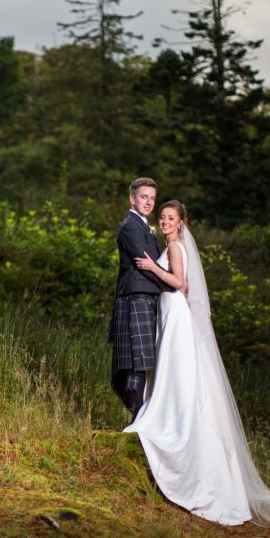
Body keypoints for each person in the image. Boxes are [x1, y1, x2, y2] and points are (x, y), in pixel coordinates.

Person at [125, 200, 270, 528]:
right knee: (172, 371)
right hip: (169, 312)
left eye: (170, 218)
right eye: (162, 217)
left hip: (174, 311)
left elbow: (180, 283)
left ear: (181, 223)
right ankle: (167, 412)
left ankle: (173, 422)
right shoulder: (173, 245)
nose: (164, 222)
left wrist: (152, 268)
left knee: (175, 371)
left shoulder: (176, 247)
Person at [107, 178, 172, 420]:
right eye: (144, 197)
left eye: (152, 198)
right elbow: (145, 265)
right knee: (135, 362)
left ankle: (139, 420)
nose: (149, 202)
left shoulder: (143, 226)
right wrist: (172, 286)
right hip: (136, 298)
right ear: (132, 198)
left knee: (139, 362)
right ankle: (137, 420)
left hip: (143, 298)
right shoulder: (131, 227)